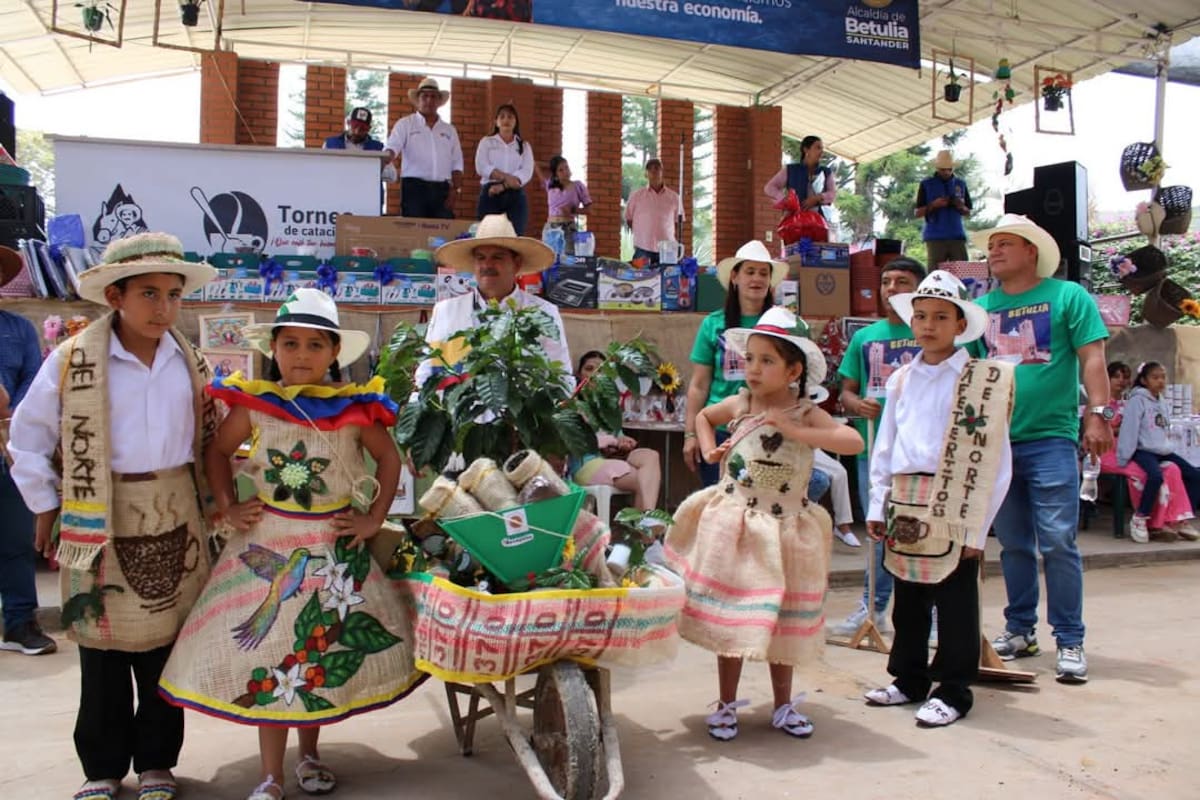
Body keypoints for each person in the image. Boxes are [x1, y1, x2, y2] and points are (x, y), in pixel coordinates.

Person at [159, 288, 419, 800]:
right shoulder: (257, 405)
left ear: (334, 352)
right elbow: (218, 452)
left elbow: (390, 459)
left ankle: (310, 756)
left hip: (333, 551)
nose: (302, 355)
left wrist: (373, 519)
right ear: (273, 348)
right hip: (268, 541)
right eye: (291, 344)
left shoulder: (355, 408)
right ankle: (270, 775)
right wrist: (228, 506)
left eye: (315, 345)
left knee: (315, 657)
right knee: (273, 656)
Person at [9, 233, 218, 800]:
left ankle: (157, 763)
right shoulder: (73, 359)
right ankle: (101, 768)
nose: (163, 307)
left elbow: (214, 436)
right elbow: (29, 436)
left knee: (163, 647)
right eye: (148, 293)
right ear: (115, 296)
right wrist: (45, 504)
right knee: (101, 644)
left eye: (173, 294)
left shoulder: (190, 362)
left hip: (173, 507)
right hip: (98, 511)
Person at [665, 306, 863, 741]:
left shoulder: (806, 412)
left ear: (794, 371)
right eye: (750, 359)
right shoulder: (742, 402)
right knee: (732, 617)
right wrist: (708, 448)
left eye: (766, 360)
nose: (753, 369)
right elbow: (703, 417)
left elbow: (852, 441)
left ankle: (783, 704)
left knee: (783, 621)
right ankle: (726, 703)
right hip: (739, 525)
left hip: (787, 527)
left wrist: (799, 433)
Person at [862, 271, 1013, 728]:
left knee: (955, 598)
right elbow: (886, 444)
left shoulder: (981, 380)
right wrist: (878, 502)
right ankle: (908, 678)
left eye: (941, 317)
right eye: (921, 316)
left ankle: (953, 689)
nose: (929, 325)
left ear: (960, 324)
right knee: (908, 593)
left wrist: (978, 527)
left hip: (956, 494)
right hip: (907, 496)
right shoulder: (901, 379)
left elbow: (995, 457)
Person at [970, 213, 1113, 684]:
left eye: (1005, 243)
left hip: (1052, 437)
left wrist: (1098, 414)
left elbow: (1093, 358)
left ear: (1032, 251)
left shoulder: (1068, 296)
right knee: (1013, 544)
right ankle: (1020, 630)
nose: (994, 251)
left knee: (1057, 542)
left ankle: (1069, 639)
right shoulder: (979, 309)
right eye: (991, 245)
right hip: (997, 443)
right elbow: (966, 374)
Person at [828, 257, 925, 637]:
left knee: (925, 530)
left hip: (922, 452)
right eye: (886, 282)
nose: (891, 289)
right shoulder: (865, 338)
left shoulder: (931, 331)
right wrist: (858, 405)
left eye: (902, 281)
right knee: (879, 530)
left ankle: (931, 615)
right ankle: (873, 607)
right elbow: (847, 392)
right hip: (876, 449)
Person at [415, 213, 570, 390]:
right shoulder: (445, 311)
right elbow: (426, 375)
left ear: (516, 263)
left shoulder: (544, 313)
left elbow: (561, 379)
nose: (487, 265)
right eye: (481, 258)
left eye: (497, 257)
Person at [682, 240, 787, 487]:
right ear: (735, 277)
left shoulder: (782, 325)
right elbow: (698, 385)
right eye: (750, 271)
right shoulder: (713, 324)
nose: (757, 279)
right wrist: (690, 434)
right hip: (718, 430)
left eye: (763, 273)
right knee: (721, 501)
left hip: (768, 431)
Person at [0, 246, 56, 656]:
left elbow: (33, 384)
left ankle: (20, 621)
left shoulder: (18, 329)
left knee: (15, 539)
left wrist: (10, 411)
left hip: (8, 447)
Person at [1115, 361, 1200, 543]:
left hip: (1162, 449)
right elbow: (1130, 429)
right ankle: (1140, 517)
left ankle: (1181, 519)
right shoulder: (1137, 401)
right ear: (1144, 380)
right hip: (1143, 449)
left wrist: (1167, 446)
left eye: (1163, 377)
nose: (1160, 381)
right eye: (1155, 378)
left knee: (1194, 475)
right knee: (1155, 476)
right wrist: (1124, 456)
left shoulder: (1161, 400)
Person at [571, 351, 661, 510]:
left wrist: (624, 441)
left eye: (600, 370)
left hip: (611, 459)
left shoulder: (609, 406)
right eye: (589, 369)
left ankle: (645, 520)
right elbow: (576, 441)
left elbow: (618, 435)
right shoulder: (574, 404)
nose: (595, 374)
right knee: (640, 478)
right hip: (586, 463)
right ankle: (647, 522)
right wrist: (611, 441)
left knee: (650, 456)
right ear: (579, 374)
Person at [382, 77, 464, 219]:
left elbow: (457, 162)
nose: (429, 100)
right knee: (413, 229)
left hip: (442, 189)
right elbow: (393, 146)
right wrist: (385, 159)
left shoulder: (449, 130)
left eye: (433, 97)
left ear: (439, 101)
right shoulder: (405, 124)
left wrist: (455, 190)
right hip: (414, 188)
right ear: (418, 100)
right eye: (424, 96)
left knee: (442, 231)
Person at [474, 103, 534, 235]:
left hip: (515, 194)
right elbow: (481, 166)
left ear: (515, 121)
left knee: (515, 236)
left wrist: (503, 186)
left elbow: (526, 172)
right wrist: (505, 178)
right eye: (502, 117)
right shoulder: (487, 142)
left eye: (510, 117)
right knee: (487, 235)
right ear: (496, 122)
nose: (506, 120)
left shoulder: (524, 146)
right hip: (490, 192)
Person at [324, 106, 396, 212]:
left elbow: (392, 176)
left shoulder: (378, 148)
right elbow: (322, 172)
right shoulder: (330, 144)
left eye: (363, 129)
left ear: (369, 129)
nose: (357, 131)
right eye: (355, 126)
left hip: (368, 203)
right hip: (337, 199)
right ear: (348, 123)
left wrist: (374, 168)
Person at [914, 150, 973, 267]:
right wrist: (934, 205)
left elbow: (968, 212)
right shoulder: (926, 184)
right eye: (943, 169)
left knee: (961, 271)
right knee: (935, 273)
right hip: (935, 237)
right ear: (937, 168)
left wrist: (960, 206)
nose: (946, 172)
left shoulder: (960, 184)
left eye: (949, 169)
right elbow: (917, 213)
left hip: (957, 236)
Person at [764, 135, 836, 226]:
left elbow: (832, 194)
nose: (821, 151)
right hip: (794, 221)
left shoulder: (826, 172)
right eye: (818, 148)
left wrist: (817, 198)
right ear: (806, 150)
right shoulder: (791, 170)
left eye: (822, 148)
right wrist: (786, 200)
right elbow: (769, 188)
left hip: (819, 222)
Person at [624, 157, 684, 265]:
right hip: (642, 248)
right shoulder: (636, 196)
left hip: (667, 250)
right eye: (650, 169)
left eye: (656, 168)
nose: (653, 172)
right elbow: (629, 220)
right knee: (641, 276)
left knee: (668, 276)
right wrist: (643, 233)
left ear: (662, 171)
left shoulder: (674, 197)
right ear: (646, 174)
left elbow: (677, 222)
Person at [541, 155, 591, 256]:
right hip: (550, 228)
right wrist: (551, 165)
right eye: (560, 170)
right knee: (549, 259)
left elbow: (590, 210)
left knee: (568, 260)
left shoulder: (578, 186)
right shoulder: (550, 185)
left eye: (566, 167)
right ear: (555, 174)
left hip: (568, 228)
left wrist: (573, 210)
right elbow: (535, 165)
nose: (565, 172)